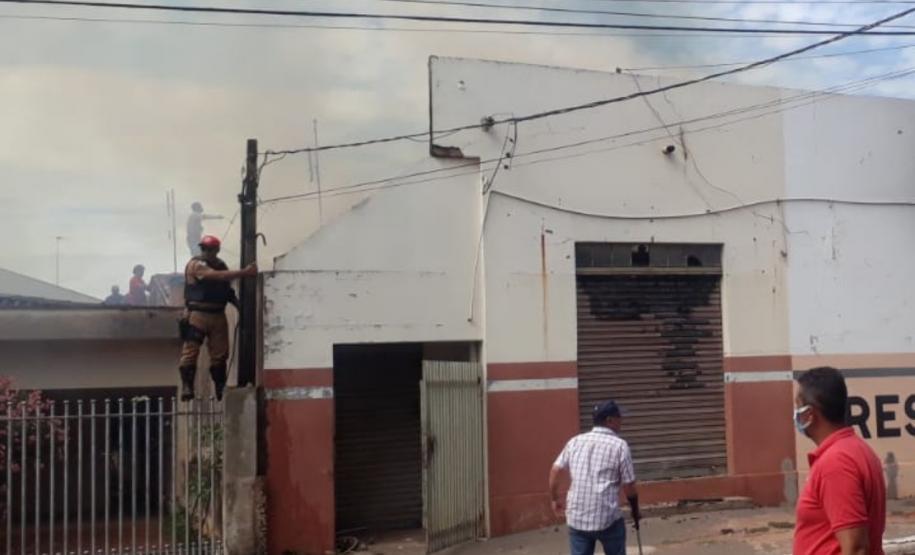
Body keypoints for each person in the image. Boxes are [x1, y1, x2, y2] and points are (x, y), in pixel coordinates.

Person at [793, 367, 886, 555]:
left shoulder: (836, 463)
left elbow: (856, 548)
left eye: (797, 406)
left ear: (810, 414)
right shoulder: (857, 450)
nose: (795, 414)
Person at [549, 400, 641, 555]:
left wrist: (554, 498)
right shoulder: (619, 445)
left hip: (577, 517)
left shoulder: (575, 442)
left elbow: (555, 470)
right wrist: (635, 510)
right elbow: (629, 486)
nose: (622, 421)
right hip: (607, 519)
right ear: (609, 420)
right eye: (619, 417)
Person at [178, 235, 256, 401]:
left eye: (212, 249)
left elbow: (226, 289)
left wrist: (238, 305)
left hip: (217, 313)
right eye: (206, 249)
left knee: (220, 354)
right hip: (197, 313)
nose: (209, 252)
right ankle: (187, 387)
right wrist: (245, 272)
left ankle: (220, 387)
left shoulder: (221, 265)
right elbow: (216, 276)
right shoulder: (196, 264)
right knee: (191, 352)